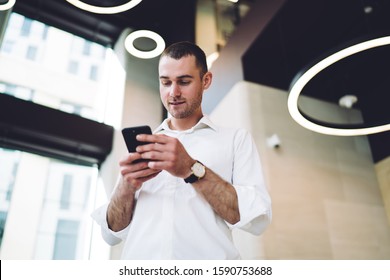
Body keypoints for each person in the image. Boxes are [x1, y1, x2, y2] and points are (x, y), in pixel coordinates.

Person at [92, 41, 272, 259]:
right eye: (165, 82)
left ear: (206, 80)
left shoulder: (235, 140)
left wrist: (191, 168)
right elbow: (111, 234)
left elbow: (257, 220)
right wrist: (125, 187)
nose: (173, 92)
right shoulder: (145, 146)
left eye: (184, 82)